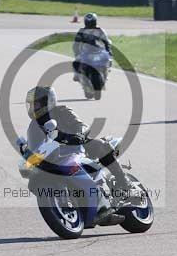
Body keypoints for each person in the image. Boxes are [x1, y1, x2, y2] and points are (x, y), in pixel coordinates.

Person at [19, 86, 132, 224]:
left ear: (47, 101)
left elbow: (80, 125)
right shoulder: (34, 126)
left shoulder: (62, 111)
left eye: (35, 104)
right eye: (30, 105)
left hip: (78, 147)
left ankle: (123, 183)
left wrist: (79, 134)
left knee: (98, 145)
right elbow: (35, 147)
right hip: (56, 157)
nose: (32, 108)